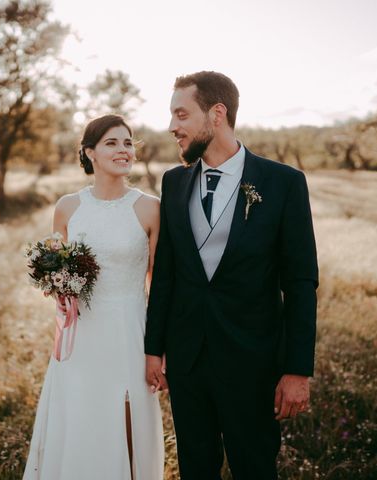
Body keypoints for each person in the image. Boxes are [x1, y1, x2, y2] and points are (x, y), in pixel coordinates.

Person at [144, 71, 318, 480]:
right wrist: (154, 349)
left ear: (217, 113)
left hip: (253, 362)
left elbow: (300, 282)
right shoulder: (174, 182)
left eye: (181, 114)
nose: (173, 127)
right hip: (187, 362)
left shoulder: (283, 183)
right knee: (196, 469)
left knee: (254, 467)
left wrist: (297, 370)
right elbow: (166, 273)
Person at [24, 114, 165, 480]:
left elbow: (161, 284)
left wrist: (160, 348)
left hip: (130, 332)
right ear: (90, 152)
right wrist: (59, 289)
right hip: (81, 337)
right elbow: (59, 270)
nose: (124, 150)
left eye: (129, 142)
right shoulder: (68, 207)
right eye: (112, 143)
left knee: (128, 420)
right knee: (82, 420)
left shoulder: (150, 207)